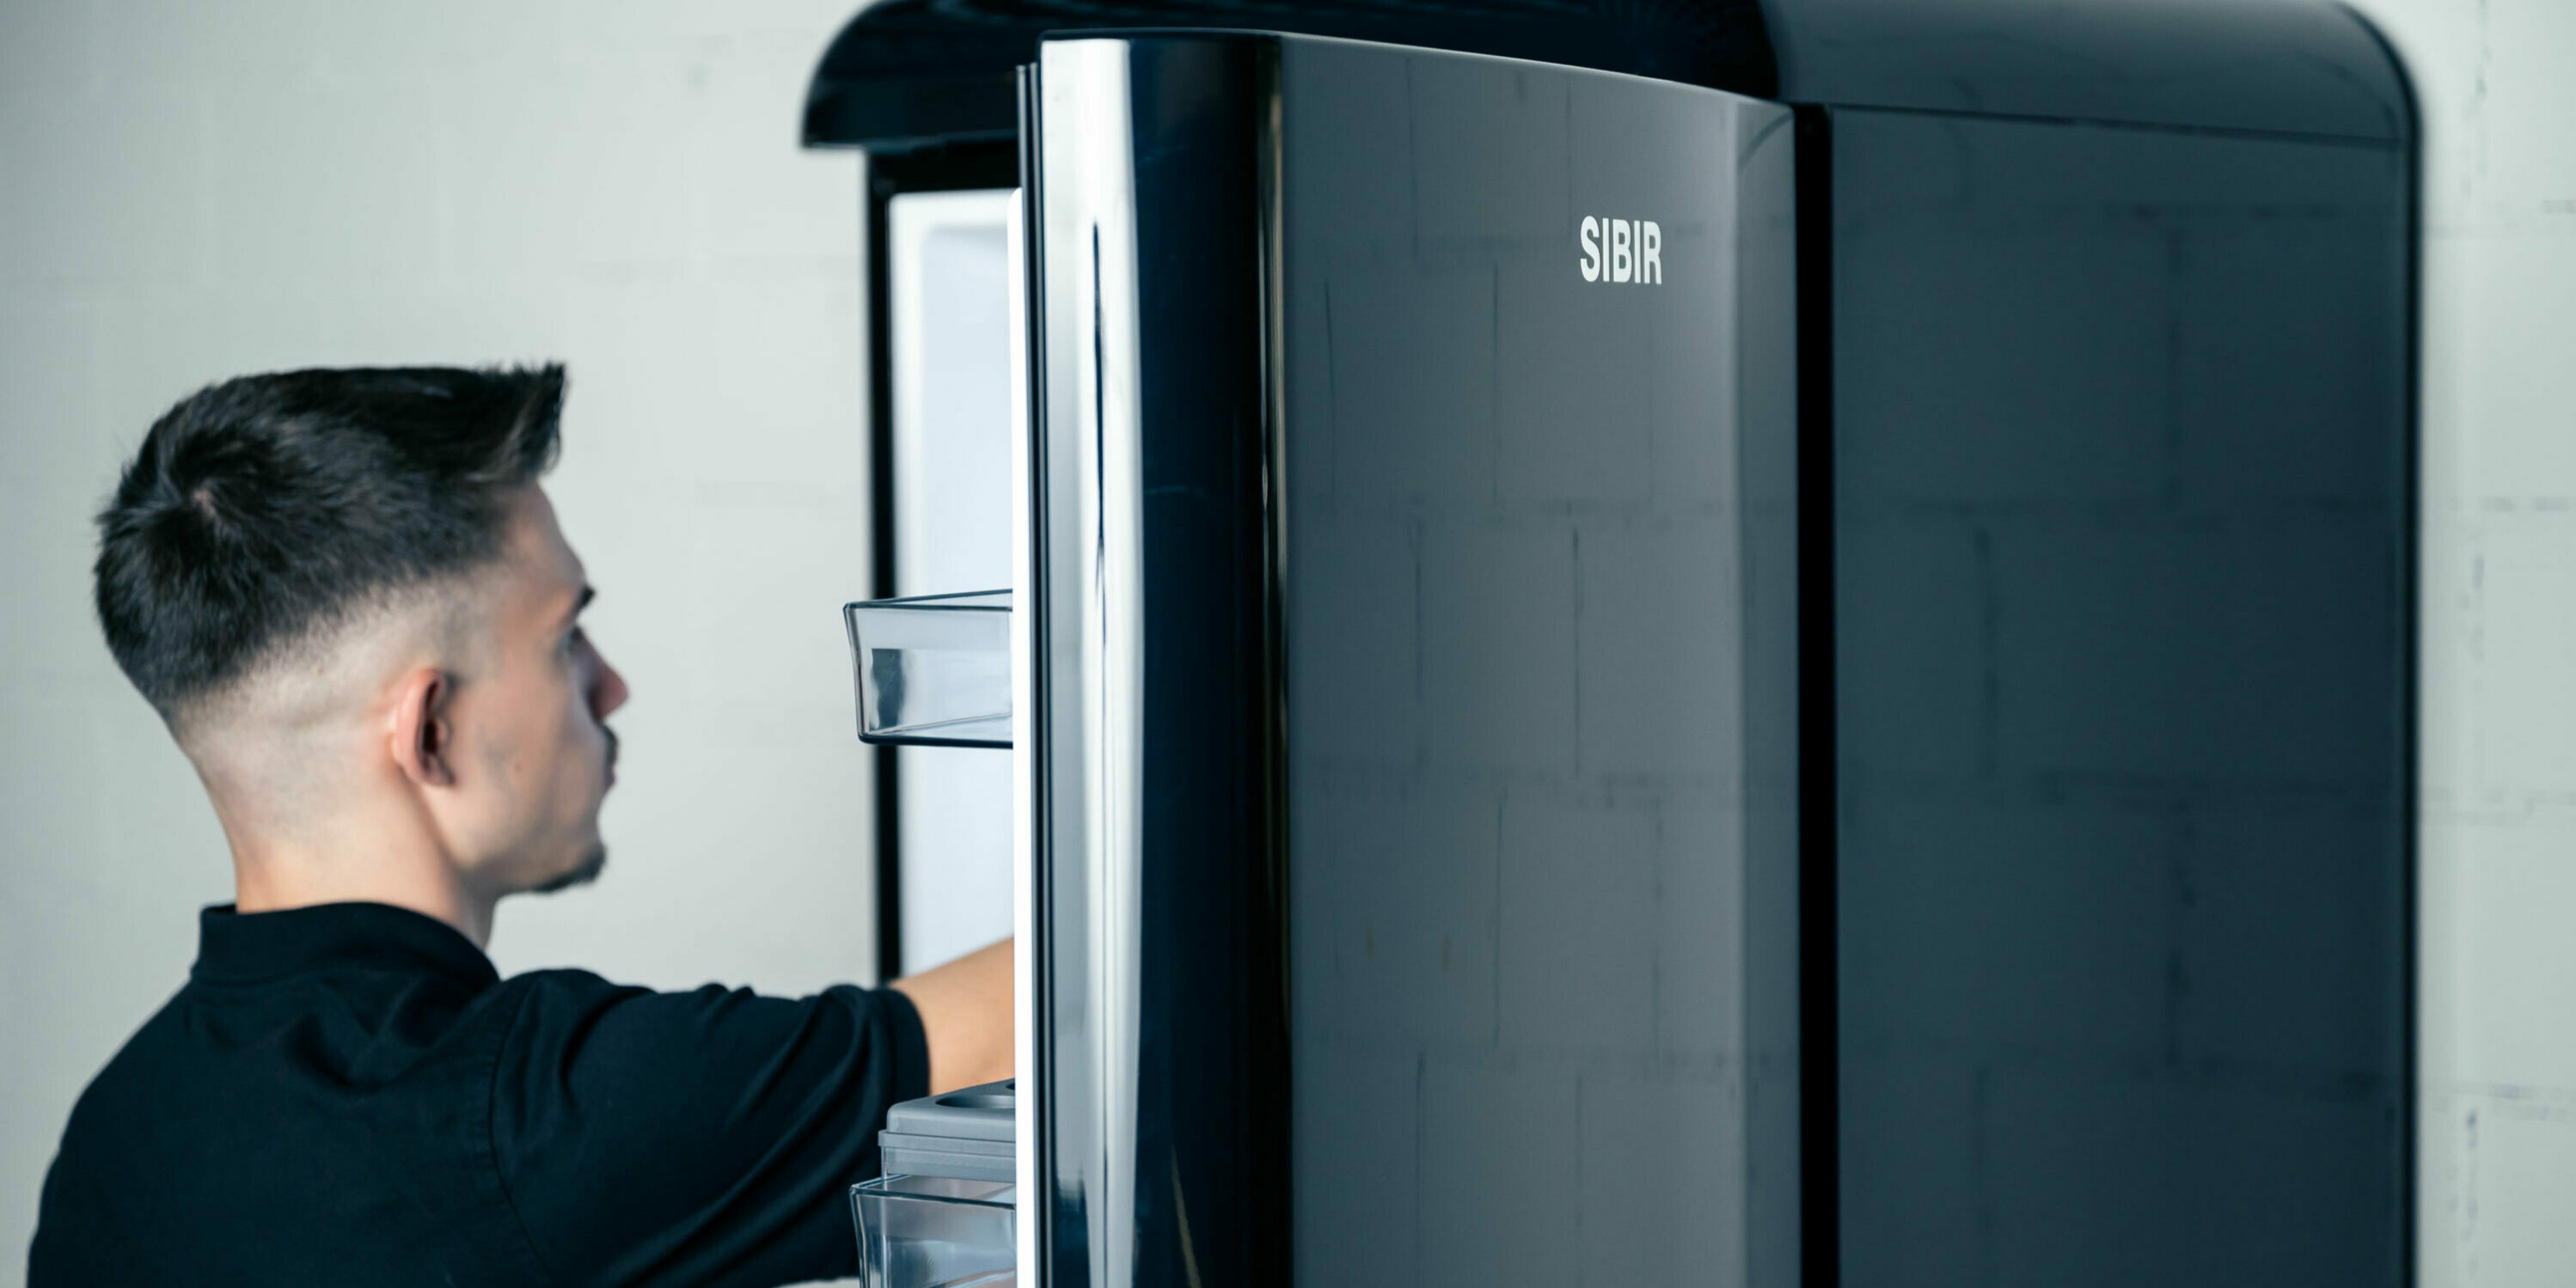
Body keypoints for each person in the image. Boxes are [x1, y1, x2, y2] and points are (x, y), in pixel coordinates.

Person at [27, 365, 1012, 1287]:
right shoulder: (535, 1120)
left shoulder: (107, 1145)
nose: (610, 683)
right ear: (433, 729)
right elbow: (1044, 1020)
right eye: (565, 636)